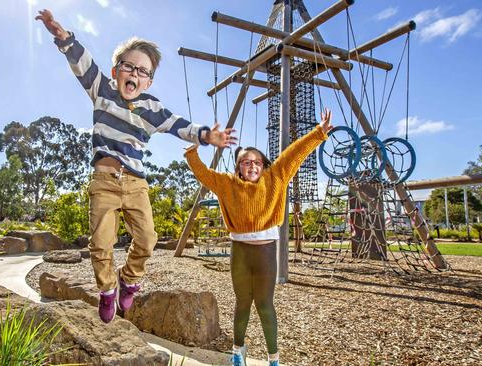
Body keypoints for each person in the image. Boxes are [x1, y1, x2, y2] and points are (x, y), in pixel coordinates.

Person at [35, 9, 237, 323]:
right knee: (100, 243)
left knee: (147, 239)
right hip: (104, 181)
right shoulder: (102, 90)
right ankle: (106, 290)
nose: (135, 73)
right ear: (117, 71)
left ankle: (129, 278)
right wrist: (62, 36)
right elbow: (81, 62)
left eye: (142, 71)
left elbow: (177, 124)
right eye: (129, 67)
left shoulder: (151, 107)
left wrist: (207, 135)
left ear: (149, 80)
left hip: (136, 184)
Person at [185, 109, 333, 366]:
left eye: (255, 161)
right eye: (245, 161)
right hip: (240, 252)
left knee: (265, 305)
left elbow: (296, 152)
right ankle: (237, 352)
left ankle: (273, 358)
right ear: (239, 168)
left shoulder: (276, 176)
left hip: (266, 252)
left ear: (263, 164)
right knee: (242, 303)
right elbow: (201, 172)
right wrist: (193, 149)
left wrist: (319, 132)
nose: (251, 165)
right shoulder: (226, 183)